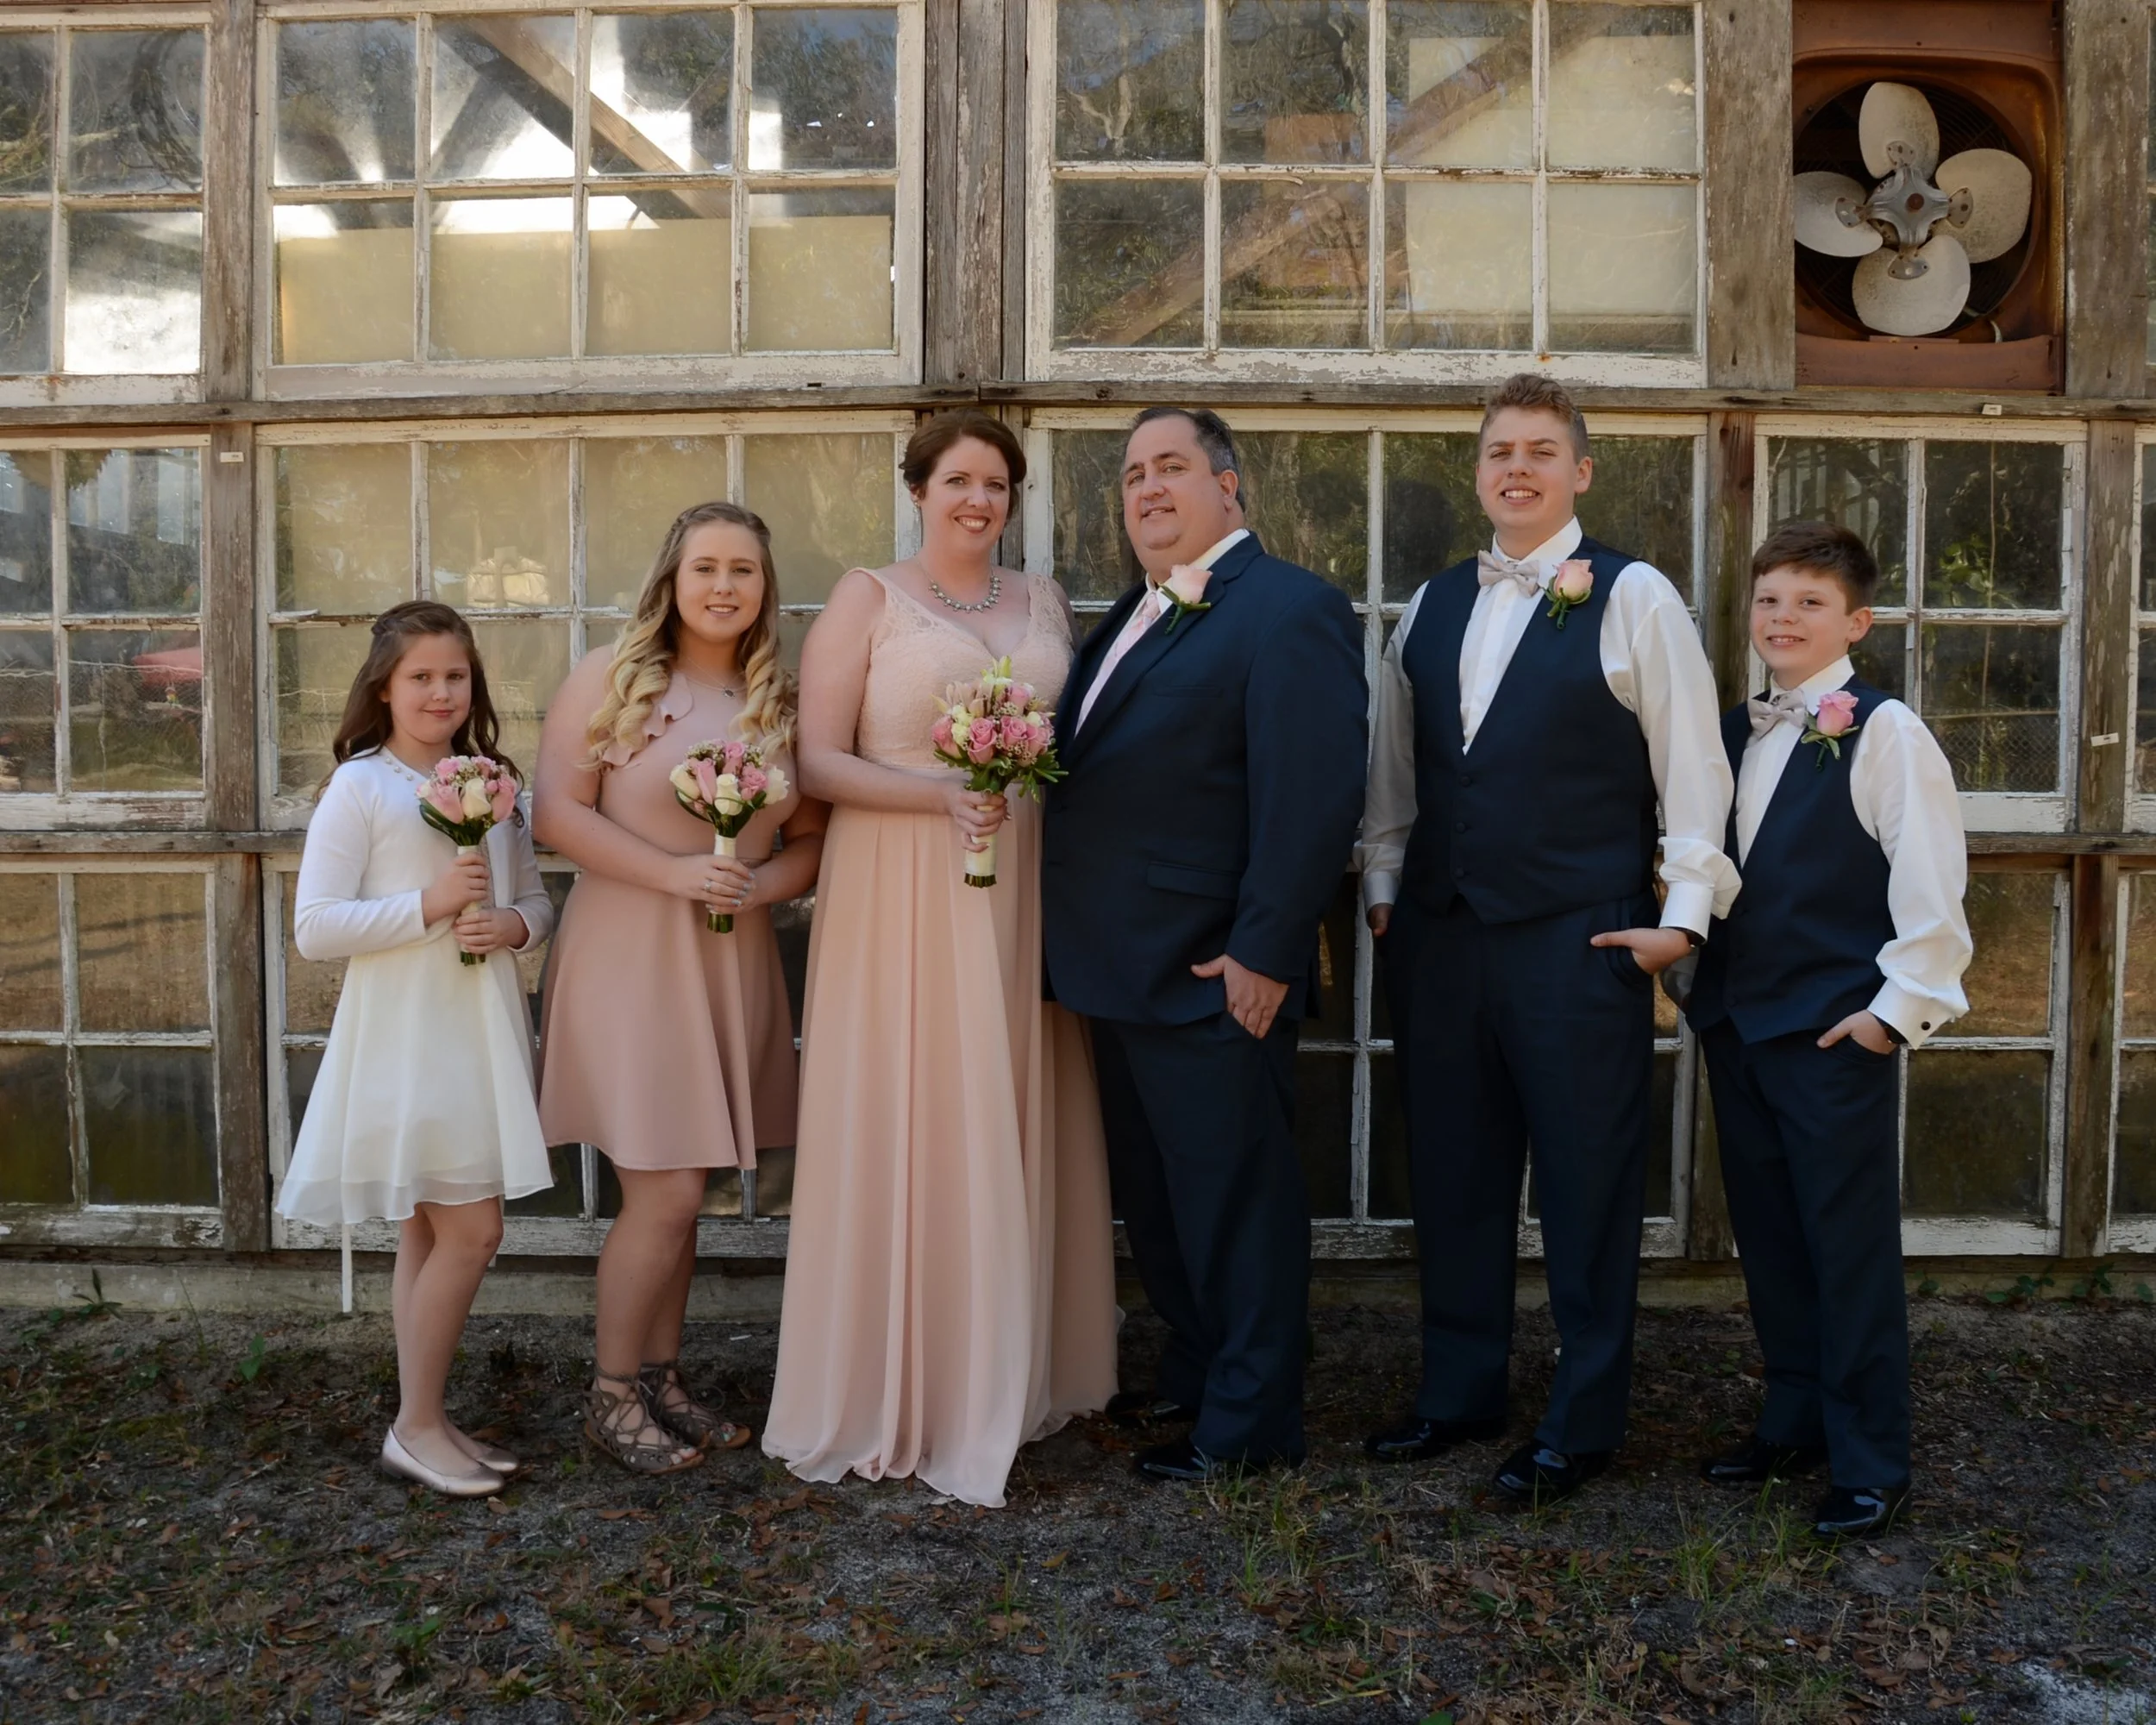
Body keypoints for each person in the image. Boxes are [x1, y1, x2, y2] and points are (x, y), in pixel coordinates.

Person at [1357, 373, 1739, 1503]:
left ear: (1580, 469)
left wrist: (1682, 919)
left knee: (1585, 1182)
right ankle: (1460, 1392)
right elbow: (1397, 764)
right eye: (1497, 453)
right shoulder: (1430, 606)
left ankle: (1583, 1421)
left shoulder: (1635, 599)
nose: (1515, 468)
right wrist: (1385, 882)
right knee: (1457, 1177)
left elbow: (1694, 770)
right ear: (1478, 474)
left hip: (1581, 943)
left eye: (1539, 450)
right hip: (1442, 939)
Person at [764, 410, 1117, 1509]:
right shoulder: (867, 599)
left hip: (1021, 885)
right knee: (909, 1101)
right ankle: (896, 1378)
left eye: (997, 484)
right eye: (959, 480)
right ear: (918, 489)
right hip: (897, 884)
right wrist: (939, 794)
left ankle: (1007, 1369)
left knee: (1004, 1094)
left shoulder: (1044, 600)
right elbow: (816, 758)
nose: (979, 500)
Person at [1042, 406, 1366, 1484]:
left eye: (1171, 467)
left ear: (1232, 487)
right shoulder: (1131, 612)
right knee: (1167, 1202)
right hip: (1116, 969)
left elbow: (1310, 795)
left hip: (1212, 969)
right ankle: (1197, 1372)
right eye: (1132, 475)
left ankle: (1251, 1421)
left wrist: (1265, 950)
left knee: (1236, 1205)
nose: (1146, 489)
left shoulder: (1289, 609)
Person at [1685, 519, 1970, 1540]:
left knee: (1844, 1249)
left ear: (1855, 620)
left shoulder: (1885, 731)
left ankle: (1870, 1459)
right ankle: (1793, 1419)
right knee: (1770, 1240)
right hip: (1738, 1024)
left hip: (1834, 1033)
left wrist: (1892, 1017)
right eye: (1768, 599)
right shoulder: (1732, 729)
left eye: (1808, 601)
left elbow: (1931, 887)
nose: (1782, 617)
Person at [535, 502, 825, 1477]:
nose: (723, 585)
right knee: (660, 1188)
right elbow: (556, 813)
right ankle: (610, 1394)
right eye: (706, 566)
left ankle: (659, 1377)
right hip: (631, 950)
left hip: (727, 953)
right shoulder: (610, 679)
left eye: (743, 569)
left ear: (763, 589)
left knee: (688, 1185)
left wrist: (753, 886)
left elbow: (810, 841)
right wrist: (672, 875)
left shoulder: (779, 701)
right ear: (673, 576)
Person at [277, 600, 555, 1499]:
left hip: (480, 1024)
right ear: (385, 688)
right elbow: (315, 928)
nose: (441, 691)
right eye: (421, 676)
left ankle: (425, 1413)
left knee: (427, 1231)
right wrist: (429, 906)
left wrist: (510, 922)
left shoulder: (495, 780)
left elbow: (538, 900)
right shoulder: (362, 785)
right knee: (474, 1228)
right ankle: (415, 1425)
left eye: (456, 675)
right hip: (408, 1034)